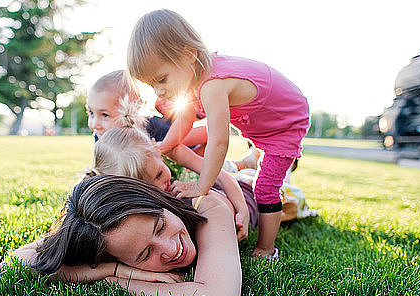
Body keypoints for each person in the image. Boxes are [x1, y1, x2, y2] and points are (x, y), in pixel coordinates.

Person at [127, 9, 310, 260]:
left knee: (265, 186)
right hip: (262, 122)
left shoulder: (213, 84)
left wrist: (201, 186)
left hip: (284, 124)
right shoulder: (193, 80)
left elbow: (219, 140)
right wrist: (165, 145)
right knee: (259, 173)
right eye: (152, 85)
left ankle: (266, 250)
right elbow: (185, 119)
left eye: (162, 79)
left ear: (188, 54)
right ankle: (251, 160)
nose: (159, 92)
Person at [7, 175, 242, 296]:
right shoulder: (101, 232)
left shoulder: (207, 204)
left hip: (248, 187)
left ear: (156, 199)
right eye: (145, 254)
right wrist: (113, 272)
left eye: (160, 226)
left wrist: (116, 282)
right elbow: (15, 263)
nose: (171, 250)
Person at [91, 125, 259, 233]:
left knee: (255, 186)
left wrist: (242, 210)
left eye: (158, 174)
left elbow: (222, 176)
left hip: (233, 189)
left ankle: (252, 161)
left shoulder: (172, 151)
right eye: (148, 188)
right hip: (210, 192)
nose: (160, 186)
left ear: (156, 148)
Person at [86, 70, 207, 149]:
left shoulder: (152, 128)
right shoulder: (102, 137)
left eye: (105, 115)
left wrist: (164, 145)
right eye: (91, 113)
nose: (94, 124)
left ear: (131, 111)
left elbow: (206, 134)